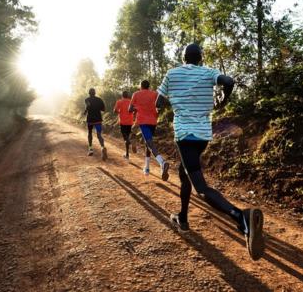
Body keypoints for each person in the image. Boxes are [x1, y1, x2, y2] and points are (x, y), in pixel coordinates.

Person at [156, 43, 264, 260]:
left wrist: (175, 102)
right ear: (200, 58)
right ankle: (183, 218)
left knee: (201, 187)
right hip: (203, 136)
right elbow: (229, 82)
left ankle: (241, 217)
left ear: (183, 57)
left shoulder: (172, 74)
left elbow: (159, 102)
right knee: (184, 173)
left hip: (185, 135)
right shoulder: (208, 72)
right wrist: (223, 100)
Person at [129, 80, 170, 180]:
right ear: (149, 86)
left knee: (150, 143)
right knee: (148, 143)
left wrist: (136, 108)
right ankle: (147, 168)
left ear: (141, 86)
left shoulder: (136, 94)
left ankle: (162, 162)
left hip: (142, 121)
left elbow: (129, 109)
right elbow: (164, 103)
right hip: (153, 121)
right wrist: (158, 110)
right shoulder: (155, 94)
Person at [85, 88, 107, 160]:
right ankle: (103, 147)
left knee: (90, 133)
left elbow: (88, 106)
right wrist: (97, 107)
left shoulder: (87, 99)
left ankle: (91, 149)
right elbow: (103, 109)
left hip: (90, 120)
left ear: (89, 93)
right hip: (98, 120)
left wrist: (85, 111)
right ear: (95, 93)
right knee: (99, 134)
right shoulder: (99, 99)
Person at [113, 91, 135, 160]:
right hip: (130, 121)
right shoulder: (131, 101)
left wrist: (119, 112)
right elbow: (134, 109)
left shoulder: (119, 102)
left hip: (123, 122)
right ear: (128, 95)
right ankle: (127, 154)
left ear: (122, 95)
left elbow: (114, 110)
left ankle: (130, 142)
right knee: (127, 137)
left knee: (125, 138)